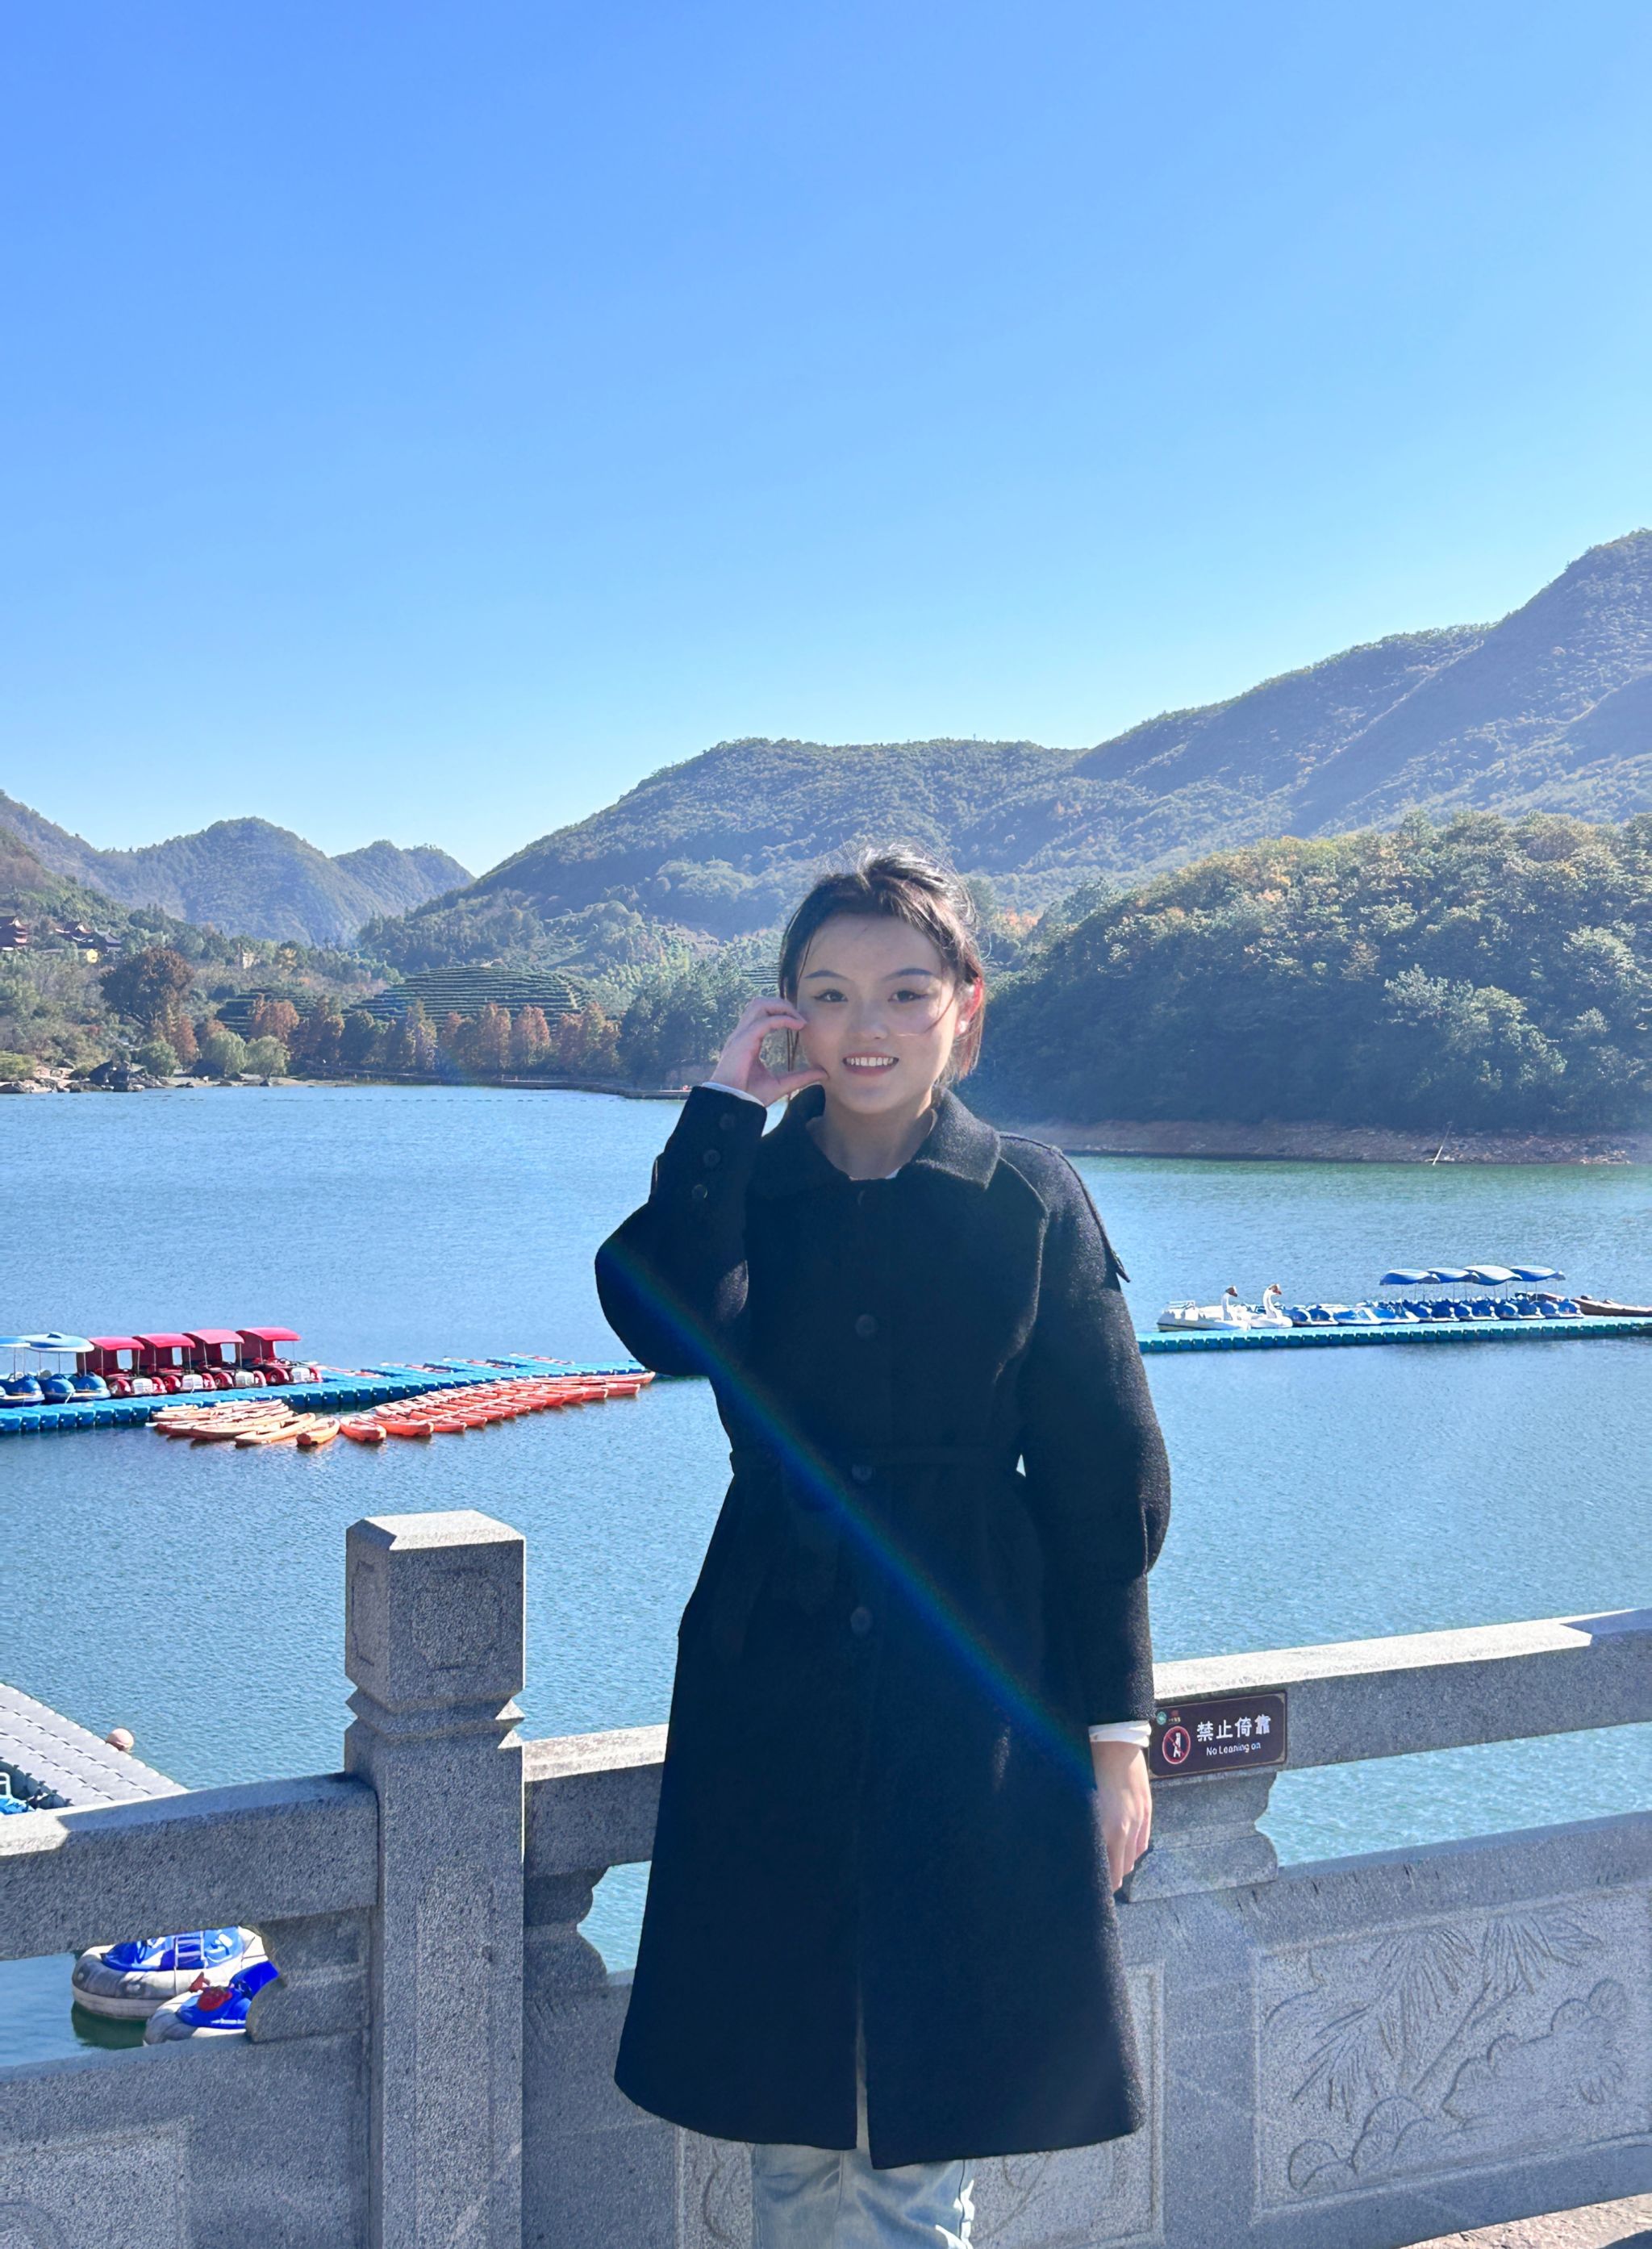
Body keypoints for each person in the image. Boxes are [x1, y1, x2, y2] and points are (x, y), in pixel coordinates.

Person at [594, 847, 1172, 2248]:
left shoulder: (1030, 1197)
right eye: (831, 993)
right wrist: (723, 1109)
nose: (869, 1027)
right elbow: (659, 1322)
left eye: (907, 992)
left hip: (972, 1686)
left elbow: (1106, 1486)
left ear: (965, 1004)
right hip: (770, 1679)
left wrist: (1117, 1739)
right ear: (787, 1012)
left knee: (918, 2152)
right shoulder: (747, 1186)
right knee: (789, 2131)